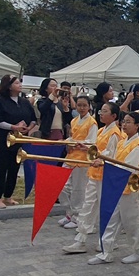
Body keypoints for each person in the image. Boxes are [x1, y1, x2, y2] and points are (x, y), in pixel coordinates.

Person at [89, 112, 139, 265]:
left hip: (129, 187)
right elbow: (115, 159)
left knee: (131, 222)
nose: (124, 124)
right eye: (124, 121)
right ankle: (106, 252)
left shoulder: (138, 145)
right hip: (117, 185)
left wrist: (106, 164)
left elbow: (127, 167)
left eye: (129, 122)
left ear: (137, 126)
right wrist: (102, 162)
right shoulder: (123, 141)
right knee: (111, 219)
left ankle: (138, 252)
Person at [65, 102, 121, 253]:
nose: (101, 114)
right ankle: (80, 239)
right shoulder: (102, 130)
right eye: (101, 111)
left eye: (105, 111)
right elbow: (97, 148)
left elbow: (112, 154)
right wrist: (87, 147)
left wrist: (101, 159)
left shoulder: (115, 133)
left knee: (104, 208)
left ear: (114, 116)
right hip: (94, 173)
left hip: (105, 175)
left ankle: (107, 240)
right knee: (88, 206)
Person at [0, 75, 37, 209]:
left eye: (20, 82)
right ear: (9, 86)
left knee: (14, 168)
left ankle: (8, 195)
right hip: (4, 139)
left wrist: (29, 128)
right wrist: (13, 127)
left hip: (19, 140)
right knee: (1, 168)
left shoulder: (24, 102)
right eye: (17, 83)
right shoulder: (1, 102)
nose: (20, 85)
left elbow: (33, 118)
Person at [57, 95, 96, 229]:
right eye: (79, 105)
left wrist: (74, 142)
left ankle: (77, 216)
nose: (82, 108)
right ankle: (69, 212)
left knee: (78, 190)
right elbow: (72, 136)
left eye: (85, 105)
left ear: (89, 106)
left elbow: (92, 142)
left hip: (82, 160)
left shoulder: (92, 122)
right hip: (70, 157)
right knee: (61, 186)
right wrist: (69, 142)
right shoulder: (74, 120)